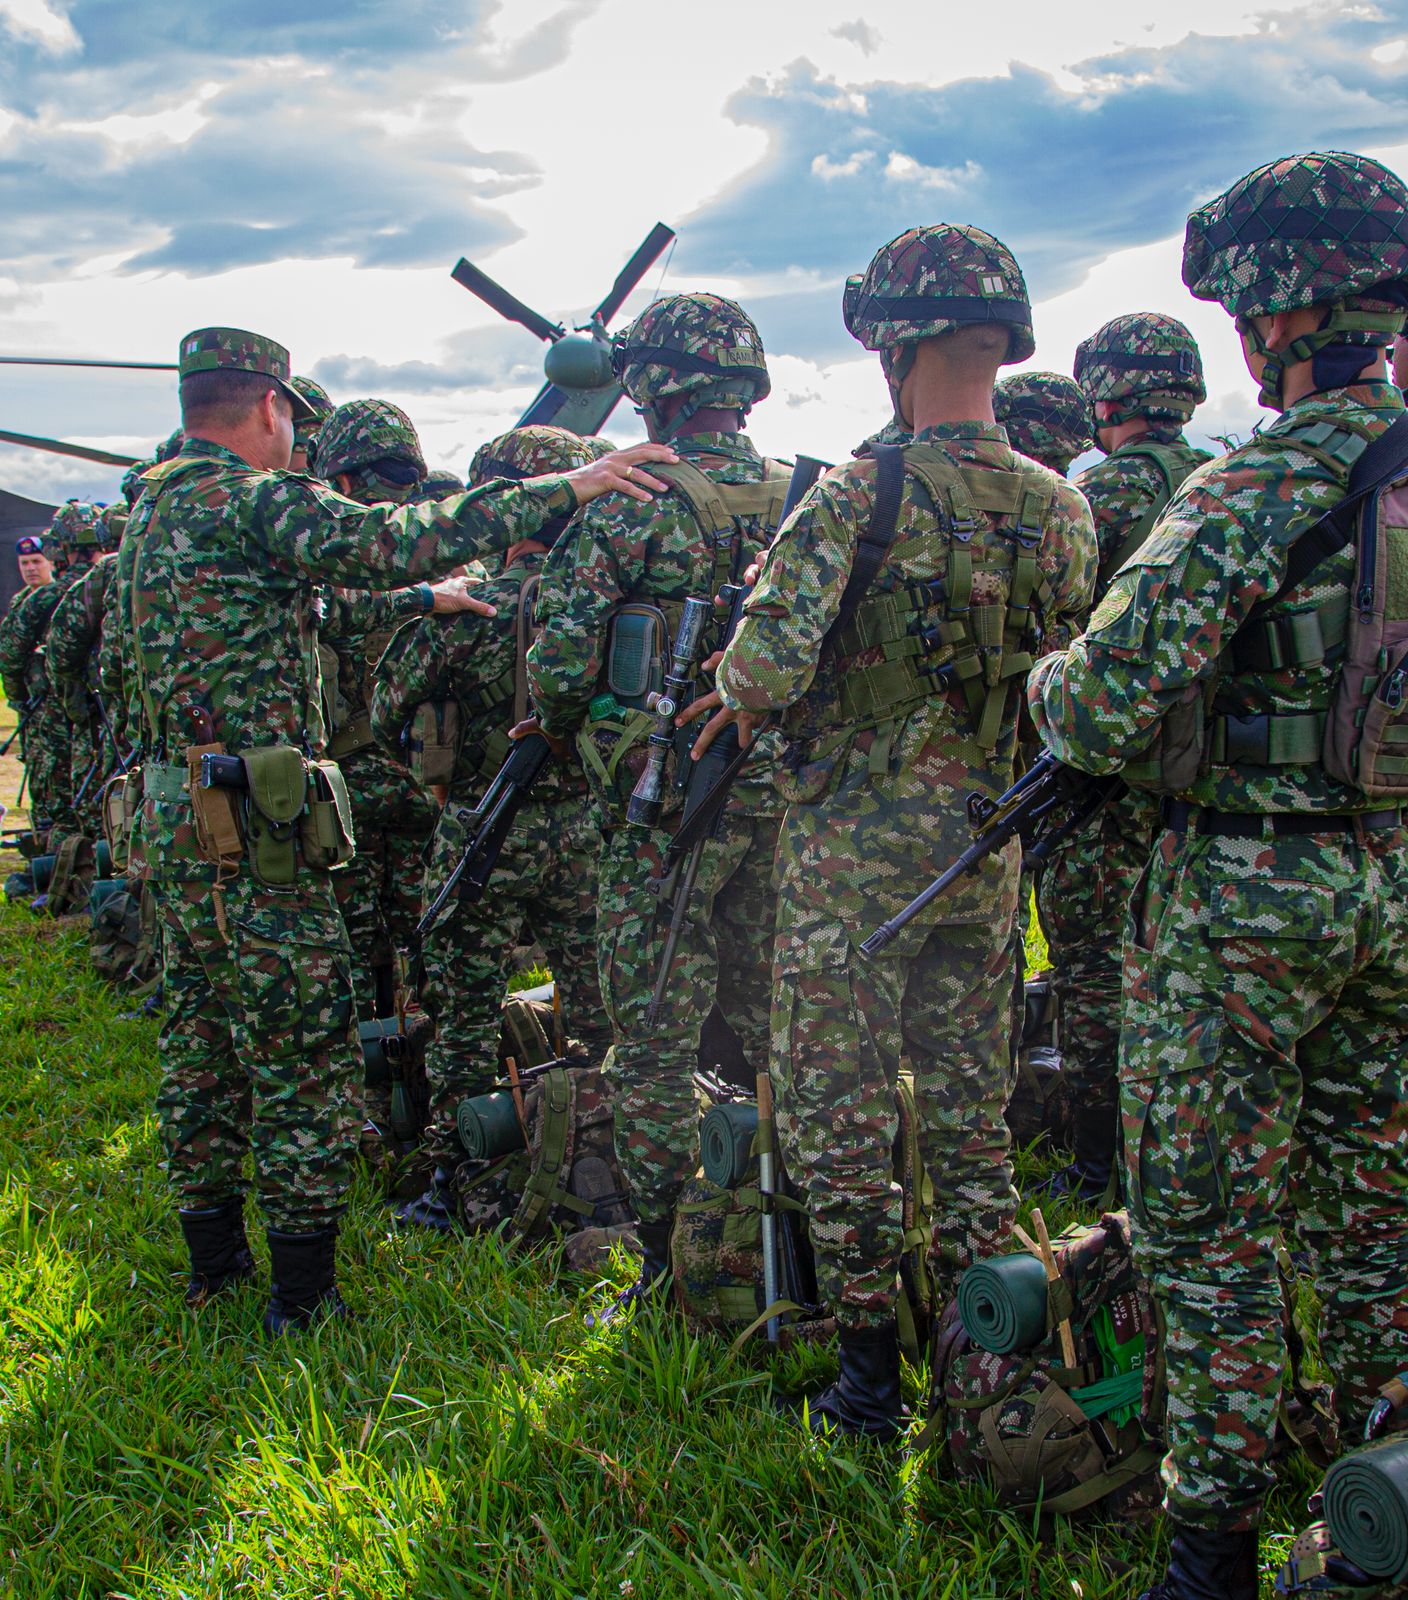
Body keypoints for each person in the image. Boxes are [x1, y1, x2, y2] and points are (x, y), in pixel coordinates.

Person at [120, 324, 674, 1336]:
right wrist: (572, 484)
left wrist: (426, 600)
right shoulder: (249, 501)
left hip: (176, 807)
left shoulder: (160, 512)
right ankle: (303, 1297)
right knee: (300, 1045)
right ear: (272, 408)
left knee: (196, 1037)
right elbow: (392, 535)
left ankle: (213, 1265)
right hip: (259, 814)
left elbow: (311, 607)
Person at [1028, 150, 1408, 1600]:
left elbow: (1096, 707)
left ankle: (1209, 1550)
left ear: (1263, 319)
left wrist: (1060, 675)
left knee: (1206, 1228)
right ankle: (1381, 1502)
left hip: (1249, 895)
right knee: (1376, 1212)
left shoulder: (1261, 478)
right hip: (1395, 878)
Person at [708, 226, 1096, 1435]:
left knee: (840, 1118)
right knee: (973, 1122)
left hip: (853, 870)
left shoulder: (857, 492)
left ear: (892, 345)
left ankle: (870, 1378)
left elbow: (757, 676)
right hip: (986, 858)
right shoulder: (1063, 506)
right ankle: (993, 1370)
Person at [527, 293, 790, 1320]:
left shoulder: (629, 503)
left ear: (651, 391)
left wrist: (593, 727)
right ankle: (793, 1231)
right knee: (779, 1025)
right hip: (778, 802)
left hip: (661, 812)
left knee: (650, 1045)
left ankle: (665, 1268)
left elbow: (555, 671)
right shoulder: (806, 495)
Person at [375, 424, 613, 1230]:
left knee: (464, 1005)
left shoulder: (464, 607)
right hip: (584, 828)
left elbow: (384, 714)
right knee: (595, 999)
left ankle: (460, 1170)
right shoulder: (604, 605)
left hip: (483, 824)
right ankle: (599, 1143)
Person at [1032, 314, 1211, 1201]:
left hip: (1101, 776)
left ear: (1103, 397)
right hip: (1206, 780)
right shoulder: (1225, 479)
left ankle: (1099, 1165)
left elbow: (1053, 623)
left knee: (1093, 972)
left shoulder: (1101, 498)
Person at [308, 399, 459, 1038]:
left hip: (346, 785)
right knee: (427, 923)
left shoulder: (324, 548)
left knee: (350, 931)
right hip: (429, 777)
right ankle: (428, 1051)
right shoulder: (437, 550)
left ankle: (372, 1056)